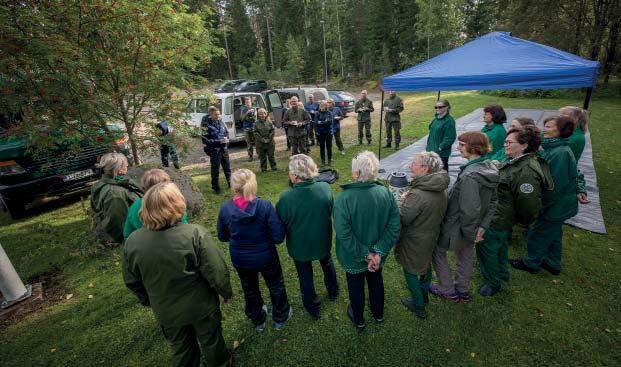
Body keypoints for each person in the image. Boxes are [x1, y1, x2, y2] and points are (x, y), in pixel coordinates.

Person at [122, 182, 233, 367]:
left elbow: (131, 280)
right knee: (211, 341)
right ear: (177, 204)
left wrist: (147, 300)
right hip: (201, 306)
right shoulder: (194, 234)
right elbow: (216, 270)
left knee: (181, 348)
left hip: (165, 309)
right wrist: (225, 292)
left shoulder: (132, 242)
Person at [476, 126, 553, 296]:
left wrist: (519, 220)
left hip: (498, 217)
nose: (505, 145)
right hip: (501, 215)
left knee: (486, 248)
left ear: (524, 145)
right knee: (501, 246)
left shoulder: (526, 171)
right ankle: (502, 272)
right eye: (505, 142)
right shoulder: (517, 160)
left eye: (509, 142)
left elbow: (529, 204)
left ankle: (492, 282)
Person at [217, 169, 292, 331]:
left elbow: (222, 236)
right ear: (253, 184)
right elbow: (278, 237)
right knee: (275, 285)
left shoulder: (225, 208)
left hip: (241, 259)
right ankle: (280, 317)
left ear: (233, 186)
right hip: (266, 257)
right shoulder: (264, 206)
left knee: (249, 288)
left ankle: (258, 319)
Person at [334, 151, 400, 331]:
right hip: (377, 256)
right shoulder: (386, 193)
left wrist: (366, 255)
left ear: (356, 174)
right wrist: (377, 253)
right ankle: (378, 314)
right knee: (376, 280)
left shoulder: (344, 199)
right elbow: (393, 227)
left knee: (356, 286)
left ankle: (359, 319)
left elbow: (343, 234)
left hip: (353, 257)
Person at [431, 132, 499, 302]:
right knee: (465, 255)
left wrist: (471, 233)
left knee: (437, 252)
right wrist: (482, 226)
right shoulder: (489, 167)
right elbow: (493, 201)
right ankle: (462, 289)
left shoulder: (470, 176)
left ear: (474, 147)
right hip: (474, 226)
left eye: (461, 144)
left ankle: (448, 290)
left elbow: (470, 209)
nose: (458, 147)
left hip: (459, 226)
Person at [511, 116, 580, 275]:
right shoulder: (555, 148)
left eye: (548, 127)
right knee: (554, 235)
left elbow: (553, 185)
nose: (544, 129)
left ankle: (531, 263)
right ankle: (552, 263)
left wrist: (539, 206)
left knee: (538, 233)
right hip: (559, 206)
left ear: (560, 131)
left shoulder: (560, 153)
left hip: (555, 206)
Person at [276, 155, 338, 319]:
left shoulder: (286, 199)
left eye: (290, 171)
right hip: (322, 241)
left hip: (300, 246)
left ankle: (313, 307)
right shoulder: (325, 188)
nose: (289, 174)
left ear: (295, 176)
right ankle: (333, 292)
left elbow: (281, 222)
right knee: (327, 263)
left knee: (305, 275)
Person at [395, 152, 449, 319]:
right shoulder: (439, 186)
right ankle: (424, 296)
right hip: (431, 234)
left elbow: (404, 218)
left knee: (410, 270)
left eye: (414, 163)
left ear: (425, 169)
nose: (411, 165)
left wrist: (401, 202)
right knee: (425, 266)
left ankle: (418, 304)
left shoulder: (418, 194)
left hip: (415, 239)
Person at [91, 152, 143, 245]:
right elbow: (118, 224)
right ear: (118, 169)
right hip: (135, 238)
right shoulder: (114, 194)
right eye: (125, 164)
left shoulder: (109, 183)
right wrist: (129, 242)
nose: (127, 166)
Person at [123, 169, 188, 240]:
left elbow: (127, 233)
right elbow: (184, 227)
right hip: (172, 240)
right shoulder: (173, 203)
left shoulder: (135, 206)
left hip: (142, 243)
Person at [201, 107, 231, 194]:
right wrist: (219, 141)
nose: (218, 116)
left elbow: (226, 132)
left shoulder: (220, 122)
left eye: (218, 114)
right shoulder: (206, 125)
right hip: (214, 150)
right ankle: (216, 187)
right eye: (215, 114)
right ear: (210, 115)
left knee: (227, 168)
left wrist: (226, 139)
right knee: (215, 169)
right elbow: (204, 140)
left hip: (224, 149)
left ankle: (230, 183)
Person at [425, 99, 456, 171]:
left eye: (440, 107)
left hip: (441, 153)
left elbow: (450, 137)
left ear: (447, 107)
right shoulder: (436, 119)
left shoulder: (449, 121)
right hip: (431, 150)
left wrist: (440, 147)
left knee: (441, 172)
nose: (437, 109)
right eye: (436, 107)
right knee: (432, 171)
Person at [315, 101, 334, 166]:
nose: (322, 107)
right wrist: (324, 122)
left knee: (329, 147)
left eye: (324, 105)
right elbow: (316, 123)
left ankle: (329, 160)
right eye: (321, 105)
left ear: (326, 106)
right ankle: (323, 161)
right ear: (320, 106)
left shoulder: (329, 113)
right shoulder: (317, 113)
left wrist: (321, 122)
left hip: (328, 132)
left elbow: (329, 122)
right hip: (320, 133)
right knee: (322, 147)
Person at [240, 97, 257, 162]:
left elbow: (255, 119)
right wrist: (247, 112)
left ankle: (259, 154)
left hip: (254, 128)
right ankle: (250, 156)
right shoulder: (243, 109)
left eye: (249, 102)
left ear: (251, 102)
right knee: (249, 143)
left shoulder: (254, 109)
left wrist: (253, 115)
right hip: (246, 128)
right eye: (246, 102)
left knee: (257, 142)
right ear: (245, 103)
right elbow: (242, 119)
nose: (248, 103)